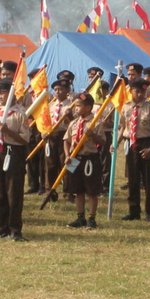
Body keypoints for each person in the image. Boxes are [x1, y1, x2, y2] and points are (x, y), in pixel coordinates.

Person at [0, 79, 30, 241]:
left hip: (14, 152)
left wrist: (7, 131)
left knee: (14, 191)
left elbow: (25, 139)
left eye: (2, 93)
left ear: (11, 94)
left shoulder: (20, 113)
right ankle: (0, 227)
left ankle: (14, 228)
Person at [63, 92, 105, 228]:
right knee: (77, 190)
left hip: (89, 159)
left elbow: (103, 141)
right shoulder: (74, 123)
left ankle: (92, 218)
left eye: (79, 106)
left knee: (92, 190)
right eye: (75, 106)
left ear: (88, 107)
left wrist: (92, 135)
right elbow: (66, 140)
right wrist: (67, 155)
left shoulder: (96, 122)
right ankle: (80, 217)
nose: (76, 108)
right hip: (75, 159)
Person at [120, 77, 150, 221]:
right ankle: (134, 211)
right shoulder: (126, 107)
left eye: (143, 91)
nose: (140, 94)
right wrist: (116, 143)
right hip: (131, 144)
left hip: (146, 143)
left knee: (148, 180)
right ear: (130, 91)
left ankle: (149, 212)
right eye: (137, 91)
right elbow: (123, 126)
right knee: (133, 179)